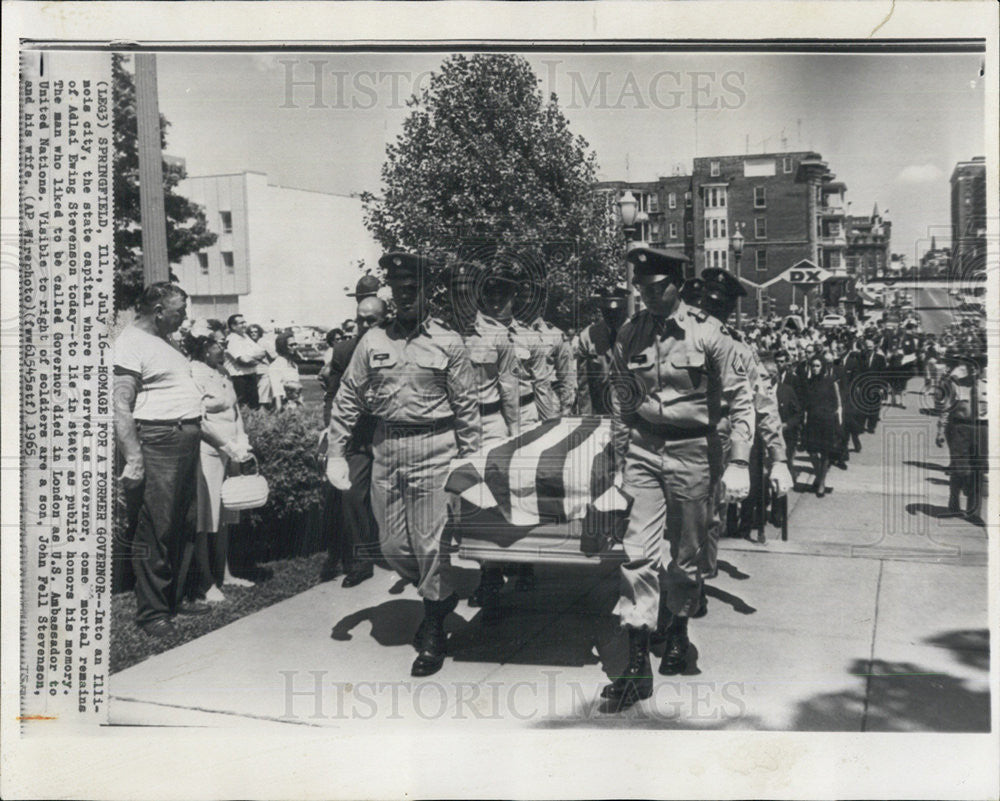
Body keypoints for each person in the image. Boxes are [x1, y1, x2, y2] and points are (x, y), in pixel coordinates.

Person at [601, 248, 753, 709]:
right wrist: (619, 459)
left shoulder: (710, 335)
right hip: (646, 451)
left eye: (657, 286)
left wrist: (741, 462)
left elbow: (741, 401)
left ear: (678, 286)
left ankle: (679, 628)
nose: (647, 294)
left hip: (694, 452)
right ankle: (635, 663)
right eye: (642, 287)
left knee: (687, 559)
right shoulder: (631, 332)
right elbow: (624, 399)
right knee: (637, 554)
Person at [326, 251, 480, 678]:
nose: (408, 297)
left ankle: (432, 626)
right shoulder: (373, 341)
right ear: (391, 294)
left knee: (431, 543)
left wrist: (469, 462)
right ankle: (441, 593)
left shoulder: (448, 342)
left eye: (415, 289)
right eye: (400, 291)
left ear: (428, 292)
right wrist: (336, 452)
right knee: (393, 546)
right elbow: (347, 399)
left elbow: (467, 408)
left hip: (435, 448)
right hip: (387, 448)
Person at [113, 282, 209, 638]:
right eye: (179, 311)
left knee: (183, 522)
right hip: (159, 441)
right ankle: (152, 613)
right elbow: (120, 403)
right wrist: (134, 458)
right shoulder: (130, 343)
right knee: (157, 526)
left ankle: (177, 597)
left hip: (185, 437)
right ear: (157, 311)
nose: (184, 317)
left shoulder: (164, 342)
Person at [442, 261, 520, 618]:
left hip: (489, 424)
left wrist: (515, 435)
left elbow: (509, 386)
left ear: (478, 293)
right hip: (448, 428)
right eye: (455, 290)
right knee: (449, 504)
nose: (461, 297)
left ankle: (489, 572)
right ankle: (441, 573)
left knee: (485, 503)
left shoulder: (496, 335)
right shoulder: (438, 334)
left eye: (467, 290)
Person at [694, 268, 793, 553]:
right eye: (708, 305)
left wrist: (778, 456)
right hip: (670, 439)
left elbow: (762, 401)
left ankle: (695, 585)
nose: (712, 314)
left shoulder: (739, 348)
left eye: (719, 308)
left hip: (714, 441)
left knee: (705, 519)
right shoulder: (677, 334)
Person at [319, 294, 388, 587]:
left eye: (370, 319)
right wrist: (331, 429)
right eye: (360, 318)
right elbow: (333, 395)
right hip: (358, 434)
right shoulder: (344, 350)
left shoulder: (397, 345)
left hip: (389, 432)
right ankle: (361, 562)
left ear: (385, 318)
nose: (363, 324)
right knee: (351, 493)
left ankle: (399, 553)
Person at [187, 334, 255, 602]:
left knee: (226, 515)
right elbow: (199, 420)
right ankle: (205, 583)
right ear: (203, 349)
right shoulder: (194, 372)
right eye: (216, 344)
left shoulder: (222, 370)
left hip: (232, 451)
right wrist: (227, 445)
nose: (222, 348)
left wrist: (242, 441)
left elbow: (235, 410)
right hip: (209, 452)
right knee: (206, 517)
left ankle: (224, 574)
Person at [936, 350, 988, 520]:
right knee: (961, 469)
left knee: (978, 470)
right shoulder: (956, 384)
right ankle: (954, 500)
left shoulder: (990, 385)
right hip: (959, 428)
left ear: (982, 368)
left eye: (978, 366)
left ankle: (973, 510)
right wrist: (940, 430)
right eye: (970, 365)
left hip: (982, 429)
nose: (974, 369)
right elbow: (946, 407)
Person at [575, 286, 630, 415]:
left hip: (632, 410)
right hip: (601, 411)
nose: (612, 316)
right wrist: (586, 419)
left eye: (617, 312)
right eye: (607, 312)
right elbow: (584, 384)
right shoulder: (588, 335)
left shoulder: (637, 332)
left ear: (624, 310)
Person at [800, 354, 843, 497]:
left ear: (823, 367)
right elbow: (804, 402)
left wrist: (837, 418)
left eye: (818, 365)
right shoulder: (807, 382)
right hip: (812, 421)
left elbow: (837, 402)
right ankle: (819, 475)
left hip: (826, 420)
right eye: (813, 365)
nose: (815, 368)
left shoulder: (830, 381)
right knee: (812, 452)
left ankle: (822, 482)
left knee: (825, 453)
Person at [224, 313, 267, 409]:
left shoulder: (245, 337)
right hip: (239, 379)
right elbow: (243, 361)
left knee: (254, 407)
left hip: (250, 376)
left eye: (245, 322)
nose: (244, 325)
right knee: (242, 407)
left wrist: (250, 357)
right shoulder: (232, 339)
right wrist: (256, 359)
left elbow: (262, 352)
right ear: (233, 326)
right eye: (241, 323)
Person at [267, 332, 303, 412]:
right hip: (283, 405)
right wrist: (279, 411)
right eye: (291, 345)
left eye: (295, 344)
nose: (294, 347)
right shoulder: (276, 365)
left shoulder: (294, 365)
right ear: (283, 347)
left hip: (295, 404)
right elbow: (276, 391)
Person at [246, 323, 274, 410]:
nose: (253, 334)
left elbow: (274, 356)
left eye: (255, 332)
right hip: (252, 372)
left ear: (259, 333)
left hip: (264, 371)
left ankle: (263, 411)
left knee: (263, 393)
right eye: (251, 332)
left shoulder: (264, 342)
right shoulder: (248, 343)